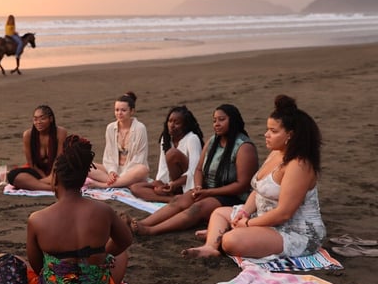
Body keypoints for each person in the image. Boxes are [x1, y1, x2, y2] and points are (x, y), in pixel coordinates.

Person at [183, 95, 325, 259]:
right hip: (264, 217)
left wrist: (248, 224)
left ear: (290, 135)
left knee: (230, 241)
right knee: (219, 213)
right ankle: (210, 246)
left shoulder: (299, 165)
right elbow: (258, 191)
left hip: (295, 231)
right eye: (268, 129)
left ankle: (226, 235)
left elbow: (284, 213)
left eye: (273, 131)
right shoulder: (276, 153)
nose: (266, 134)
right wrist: (244, 213)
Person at [26, 135, 133, 284]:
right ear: (85, 177)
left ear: (55, 178)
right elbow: (125, 241)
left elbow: (37, 267)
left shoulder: (37, 219)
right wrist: (102, 256)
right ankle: (93, 268)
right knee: (120, 255)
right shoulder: (104, 211)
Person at [125, 104, 258, 236]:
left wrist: (209, 192)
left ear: (233, 120)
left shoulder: (244, 147)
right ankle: (143, 223)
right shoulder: (213, 141)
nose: (216, 124)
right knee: (180, 200)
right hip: (209, 190)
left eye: (221, 120)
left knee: (197, 207)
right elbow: (199, 169)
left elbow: (242, 185)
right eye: (214, 120)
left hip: (232, 197)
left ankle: (151, 230)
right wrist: (199, 186)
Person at [130, 106, 204, 202]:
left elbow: (194, 171)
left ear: (185, 125)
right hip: (172, 185)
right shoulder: (165, 139)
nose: (171, 125)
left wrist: (175, 184)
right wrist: (160, 184)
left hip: (188, 184)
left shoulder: (192, 139)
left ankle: (181, 197)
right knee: (135, 187)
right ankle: (172, 200)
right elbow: (163, 167)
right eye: (170, 121)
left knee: (172, 154)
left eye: (177, 123)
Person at [87, 91, 149, 188]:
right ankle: (121, 183)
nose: (119, 113)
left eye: (123, 110)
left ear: (132, 111)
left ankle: (105, 185)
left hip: (132, 171)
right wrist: (112, 172)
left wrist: (123, 175)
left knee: (143, 169)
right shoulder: (110, 128)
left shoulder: (140, 128)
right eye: (117, 110)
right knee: (86, 165)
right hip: (114, 170)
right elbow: (109, 155)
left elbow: (140, 157)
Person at [7, 105, 68, 191]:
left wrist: (51, 176)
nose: (38, 122)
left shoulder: (61, 132)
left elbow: (59, 158)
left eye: (42, 119)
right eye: (35, 119)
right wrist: (45, 178)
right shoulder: (28, 135)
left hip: (57, 170)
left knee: (74, 171)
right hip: (38, 171)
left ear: (51, 119)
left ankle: (36, 184)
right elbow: (31, 163)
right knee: (12, 175)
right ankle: (52, 188)